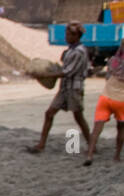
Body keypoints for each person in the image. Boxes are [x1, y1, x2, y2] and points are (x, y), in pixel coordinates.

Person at [28, 22, 92, 154]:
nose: (66, 37)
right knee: (50, 113)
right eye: (66, 34)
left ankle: (91, 144)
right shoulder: (71, 50)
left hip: (74, 88)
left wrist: (45, 74)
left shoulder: (78, 52)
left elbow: (67, 72)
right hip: (65, 88)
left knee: (78, 117)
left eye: (69, 34)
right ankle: (41, 145)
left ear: (76, 36)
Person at [83, 42, 124, 166]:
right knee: (121, 129)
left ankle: (89, 155)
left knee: (96, 129)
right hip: (121, 100)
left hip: (105, 97)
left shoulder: (113, 61)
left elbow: (107, 77)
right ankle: (116, 156)